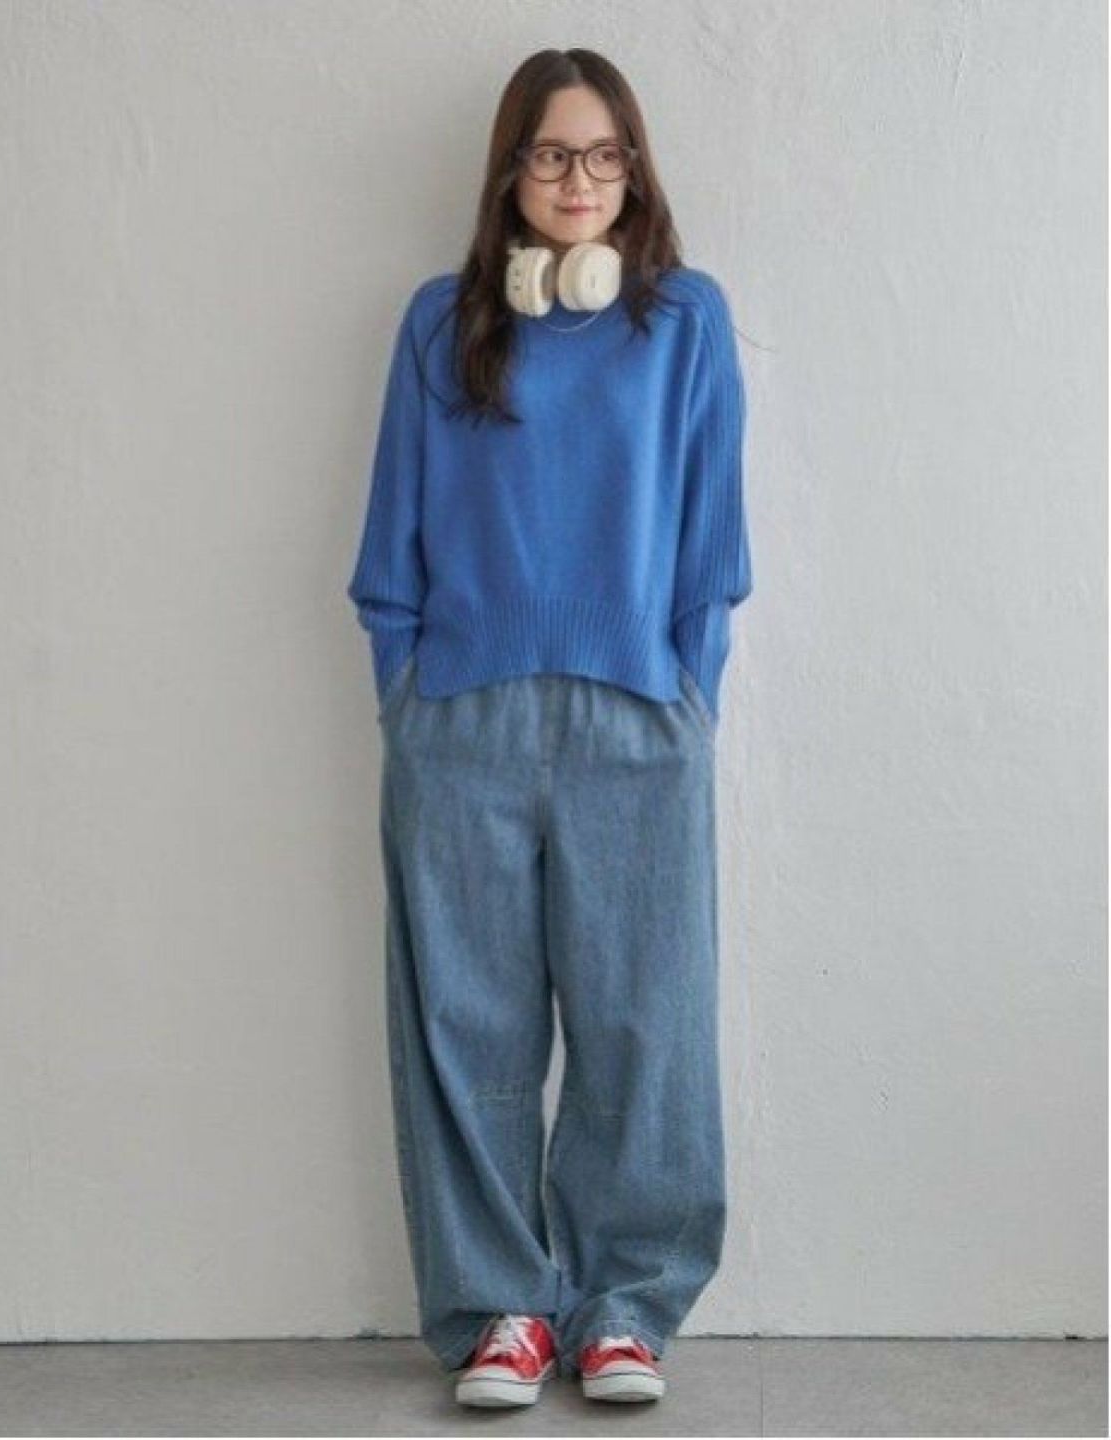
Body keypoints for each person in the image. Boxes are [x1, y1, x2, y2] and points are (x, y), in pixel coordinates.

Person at [346, 47, 753, 1410]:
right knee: (465, 1026)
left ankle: (623, 1306)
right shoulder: (439, 323)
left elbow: (713, 541)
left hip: (639, 716)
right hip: (461, 718)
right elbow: (390, 537)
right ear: (510, 169)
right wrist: (406, 686)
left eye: (604, 154)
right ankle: (501, 1311)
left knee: (646, 1021)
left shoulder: (683, 321)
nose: (579, 180)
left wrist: (689, 689)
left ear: (634, 171)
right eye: (552, 153)